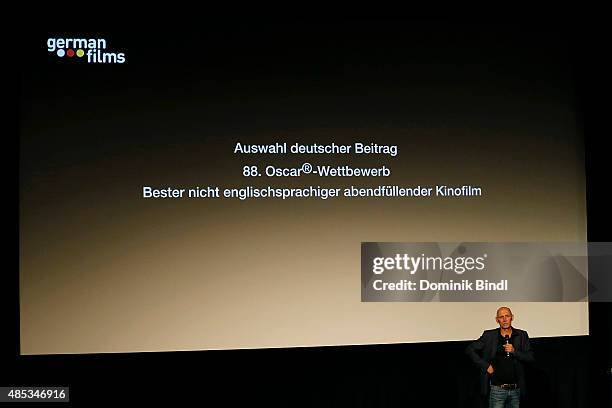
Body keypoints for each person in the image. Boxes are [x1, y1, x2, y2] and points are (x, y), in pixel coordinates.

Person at [465, 307, 535, 408]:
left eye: (507, 316)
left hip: (516, 389)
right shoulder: (489, 336)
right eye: (501, 317)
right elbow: (470, 349)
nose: (505, 319)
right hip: (497, 389)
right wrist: (485, 366)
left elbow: (530, 357)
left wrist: (515, 351)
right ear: (497, 320)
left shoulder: (521, 335)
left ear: (512, 317)